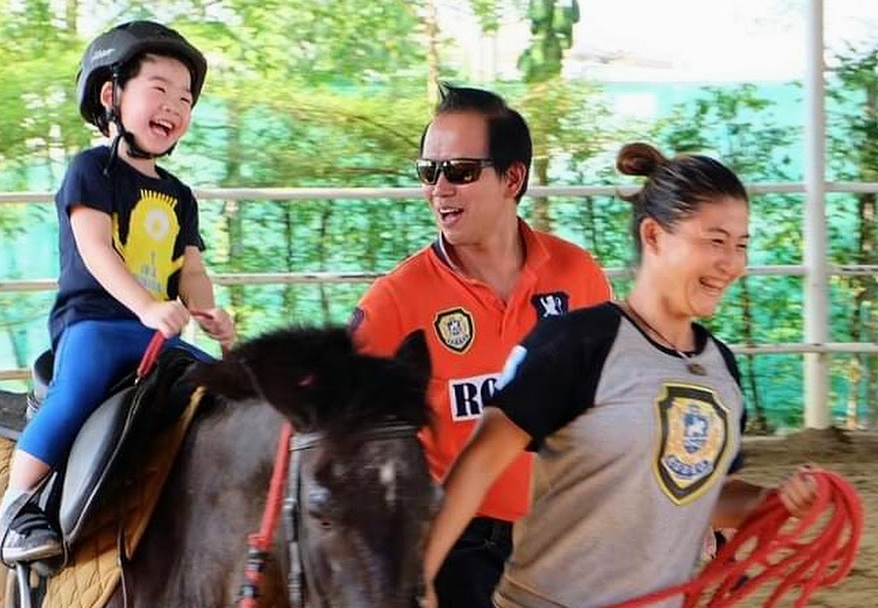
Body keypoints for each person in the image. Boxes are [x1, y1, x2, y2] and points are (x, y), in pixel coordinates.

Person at [421, 142, 819, 608]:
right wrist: (419, 580)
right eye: (715, 241)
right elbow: (480, 463)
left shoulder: (721, 370)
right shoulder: (576, 343)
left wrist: (776, 503)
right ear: (654, 237)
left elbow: (699, 499)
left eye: (741, 245)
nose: (732, 263)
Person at [350, 84, 612, 607]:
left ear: (513, 178)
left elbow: (613, 406)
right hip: (457, 547)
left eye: (460, 172)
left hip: (569, 534)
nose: (438, 189)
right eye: (429, 172)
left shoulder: (578, 275)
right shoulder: (393, 303)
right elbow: (342, 436)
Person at [0, 20, 236, 564]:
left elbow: (190, 266)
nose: (174, 105)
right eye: (159, 89)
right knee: (76, 391)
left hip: (158, 333)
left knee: (222, 389)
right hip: (96, 324)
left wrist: (207, 310)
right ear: (111, 95)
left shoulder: (179, 194)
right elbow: (96, 250)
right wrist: (147, 305)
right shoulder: (91, 170)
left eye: (185, 97)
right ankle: (14, 509)